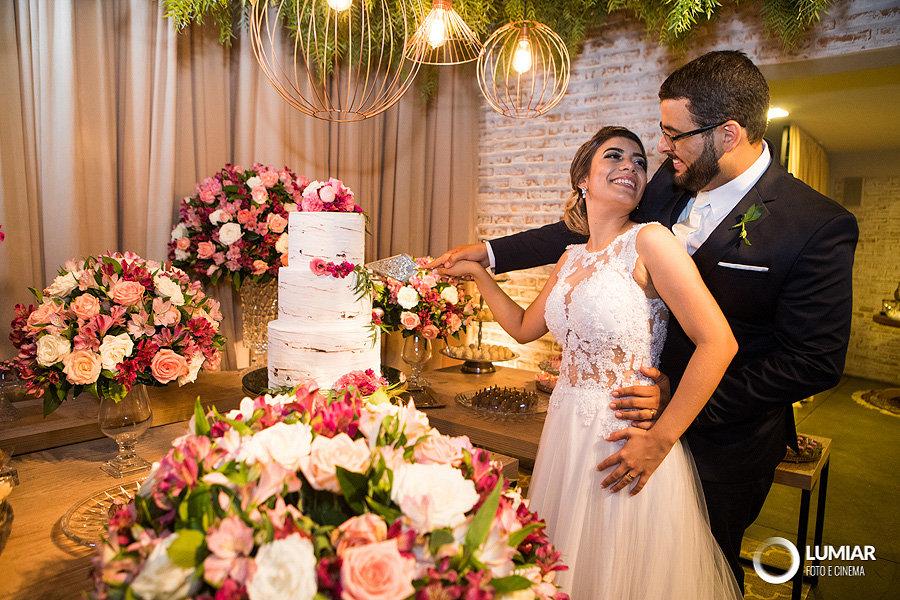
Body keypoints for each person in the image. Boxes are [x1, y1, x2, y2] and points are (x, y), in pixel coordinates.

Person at [429, 51, 859, 591]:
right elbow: (583, 231)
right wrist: (489, 255)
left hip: (725, 438)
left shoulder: (815, 224)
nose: (658, 149)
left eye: (673, 134)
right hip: (605, 422)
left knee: (689, 573)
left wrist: (674, 405)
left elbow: (813, 362)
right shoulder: (669, 183)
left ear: (727, 134)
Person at [438, 126, 741, 598]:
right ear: (583, 177)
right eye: (614, 156)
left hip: (623, 438)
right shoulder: (570, 256)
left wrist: (659, 440)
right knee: (561, 565)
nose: (630, 167)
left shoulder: (651, 241)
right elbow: (523, 327)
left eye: (639, 162)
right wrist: (479, 273)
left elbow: (718, 343)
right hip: (566, 433)